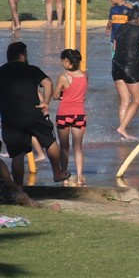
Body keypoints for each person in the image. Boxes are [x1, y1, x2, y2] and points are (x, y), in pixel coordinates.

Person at [0, 41, 66, 182]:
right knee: (49, 140)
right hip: (33, 114)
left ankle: (18, 188)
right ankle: (57, 173)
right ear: (22, 55)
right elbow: (48, 83)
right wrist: (45, 103)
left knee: (17, 154)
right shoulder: (31, 69)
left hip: (10, 118)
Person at [48, 49, 87, 184]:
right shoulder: (84, 75)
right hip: (79, 113)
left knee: (64, 146)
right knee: (78, 147)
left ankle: (64, 174)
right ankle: (80, 176)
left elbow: (54, 95)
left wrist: (62, 95)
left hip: (64, 113)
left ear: (67, 61)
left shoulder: (64, 77)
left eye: (62, 61)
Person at [111, 7, 139, 140]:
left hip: (116, 66)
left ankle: (122, 132)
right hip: (131, 68)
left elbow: (114, 47)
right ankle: (122, 127)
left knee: (125, 100)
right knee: (138, 99)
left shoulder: (120, 28)